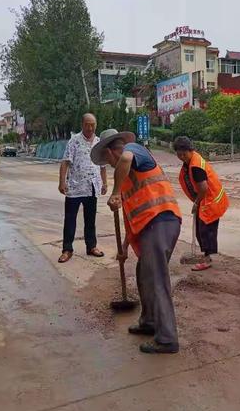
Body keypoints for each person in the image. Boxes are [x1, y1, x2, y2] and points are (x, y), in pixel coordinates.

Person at [91, 129, 182, 354]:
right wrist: (124, 248)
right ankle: (150, 321)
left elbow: (125, 159)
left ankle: (167, 338)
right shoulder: (128, 182)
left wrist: (114, 191)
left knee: (156, 278)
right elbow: (132, 219)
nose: (111, 166)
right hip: (151, 226)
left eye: (108, 161)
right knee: (144, 273)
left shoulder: (134, 150)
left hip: (161, 219)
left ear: (112, 152)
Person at [173, 136, 229, 271]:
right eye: (179, 154)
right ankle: (206, 256)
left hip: (211, 200)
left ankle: (208, 259)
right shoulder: (191, 161)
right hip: (207, 199)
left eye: (184, 154)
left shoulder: (196, 166)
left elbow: (203, 188)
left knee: (206, 231)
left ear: (190, 150)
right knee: (201, 230)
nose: (182, 157)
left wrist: (196, 203)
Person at [58, 113, 107, 263]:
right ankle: (67, 249)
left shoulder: (99, 142)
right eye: (87, 124)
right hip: (74, 187)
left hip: (92, 187)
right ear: (82, 124)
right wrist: (62, 182)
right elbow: (65, 162)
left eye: (93, 124)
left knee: (90, 219)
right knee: (70, 219)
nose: (90, 127)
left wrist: (104, 183)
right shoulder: (74, 141)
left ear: (96, 125)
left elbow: (103, 165)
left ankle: (91, 246)